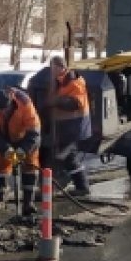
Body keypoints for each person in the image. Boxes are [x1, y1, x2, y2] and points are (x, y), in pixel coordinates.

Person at [0, 87, 42, 215]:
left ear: (11, 102)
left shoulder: (25, 103)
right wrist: (7, 150)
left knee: (30, 166)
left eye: (5, 109)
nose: (3, 112)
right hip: (4, 139)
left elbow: (34, 132)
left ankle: (28, 202)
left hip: (26, 138)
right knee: (1, 168)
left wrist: (22, 152)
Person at [44, 55, 93, 196]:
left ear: (62, 67)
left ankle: (81, 187)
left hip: (76, 127)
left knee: (66, 156)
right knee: (65, 157)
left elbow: (75, 103)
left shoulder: (74, 82)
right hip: (66, 128)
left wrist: (56, 101)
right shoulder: (58, 81)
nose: (52, 71)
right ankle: (75, 185)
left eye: (54, 68)